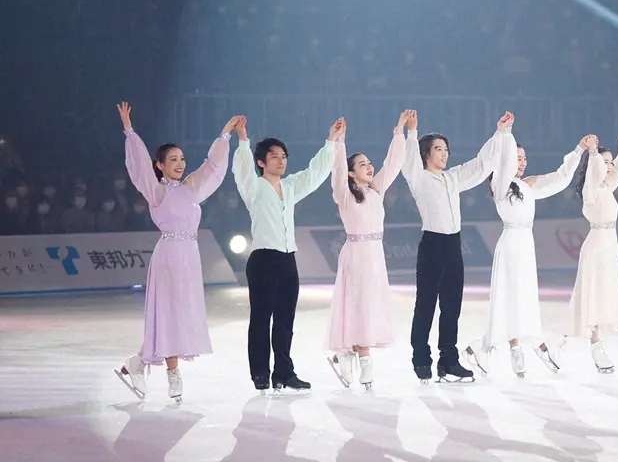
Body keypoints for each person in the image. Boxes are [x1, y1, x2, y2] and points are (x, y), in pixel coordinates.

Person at [113, 102, 239, 401]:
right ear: (161, 166)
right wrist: (130, 131)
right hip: (168, 257)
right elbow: (140, 166)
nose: (180, 163)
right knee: (167, 314)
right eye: (172, 159)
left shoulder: (191, 187)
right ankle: (172, 374)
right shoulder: (156, 190)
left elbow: (212, 168)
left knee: (182, 314)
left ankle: (138, 363)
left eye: (182, 158)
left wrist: (224, 137)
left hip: (190, 258)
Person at [462, 120, 590, 378]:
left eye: (524, 158)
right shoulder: (499, 184)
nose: (522, 162)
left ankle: (508, 345)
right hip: (509, 244)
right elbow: (502, 162)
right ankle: (513, 347)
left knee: (526, 297)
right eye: (517, 158)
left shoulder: (529, 185)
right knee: (509, 297)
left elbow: (561, 178)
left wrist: (578, 150)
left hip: (525, 245)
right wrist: (506, 133)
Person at [402, 111, 513, 384]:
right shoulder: (419, 177)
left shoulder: (452, 178)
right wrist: (412, 132)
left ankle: (448, 360)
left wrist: (499, 134)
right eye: (438, 149)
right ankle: (421, 358)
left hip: (453, 245)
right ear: (426, 154)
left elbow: (480, 164)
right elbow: (408, 162)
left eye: (446, 149)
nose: (444, 153)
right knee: (426, 305)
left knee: (452, 306)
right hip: (432, 245)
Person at [234, 117, 338, 392]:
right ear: (261, 162)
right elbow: (241, 170)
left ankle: (283, 372)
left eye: (284, 156)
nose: (281, 161)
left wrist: (331, 142)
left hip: (287, 259)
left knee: (285, 320)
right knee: (260, 319)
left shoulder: (290, 187)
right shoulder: (254, 188)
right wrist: (243, 140)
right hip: (263, 259)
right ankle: (260, 373)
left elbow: (315, 174)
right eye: (274, 157)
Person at [326, 110, 412, 389]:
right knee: (356, 305)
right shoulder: (346, 196)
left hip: (376, 258)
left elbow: (394, 163)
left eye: (369, 163)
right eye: (362, 164)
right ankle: (358, 356)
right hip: (355, 257)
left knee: (369, 307)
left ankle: (358, 354)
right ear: (352, 172)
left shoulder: (376, 191)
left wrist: (399, 131)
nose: (369, 167)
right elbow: (338, 172)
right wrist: (339, 143)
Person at [565, 124, 618, 373]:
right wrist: (594, 153)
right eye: (604, 162)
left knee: (602, 294)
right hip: (597, 247)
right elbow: (597, 170)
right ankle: (596, 345)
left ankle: (570, 342)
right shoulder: (592, 192)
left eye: (609, 162)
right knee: (593, 295)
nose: (609, 166)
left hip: (608, 248)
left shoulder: (607, 188)